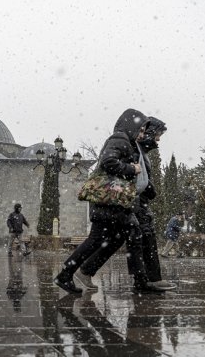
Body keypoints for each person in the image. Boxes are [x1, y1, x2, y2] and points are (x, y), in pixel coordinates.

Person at [54, 108, 162, 295]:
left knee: (101, 240)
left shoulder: (124, 140)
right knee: (126, 236)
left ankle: (67, 274)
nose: (143, 134)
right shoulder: (119, 139)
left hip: (111, 203)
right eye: (141, 130)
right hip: (111, 202)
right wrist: (132, 169)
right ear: (132, 125)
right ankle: (140, 281)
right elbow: (108, 162)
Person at [74, 117, 175, 291]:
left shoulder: (138, 149)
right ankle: (145, 280)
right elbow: (129, 175)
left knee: (120, 239)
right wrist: (148, 188)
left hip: (132, 201)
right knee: (139, 237)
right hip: (131, 201)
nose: (158, 139)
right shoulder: (133, 147)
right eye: (157, 135)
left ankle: (87, 271)